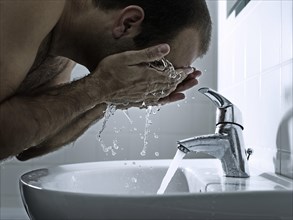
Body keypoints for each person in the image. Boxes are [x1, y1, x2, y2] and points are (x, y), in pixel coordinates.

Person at [0, 0, 212, 161]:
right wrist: (101, 88)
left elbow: (29, 144)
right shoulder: (34, 5)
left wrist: (111, 97)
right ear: (128, 24)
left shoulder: (64, 49)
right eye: (160, 65)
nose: (154, 81)